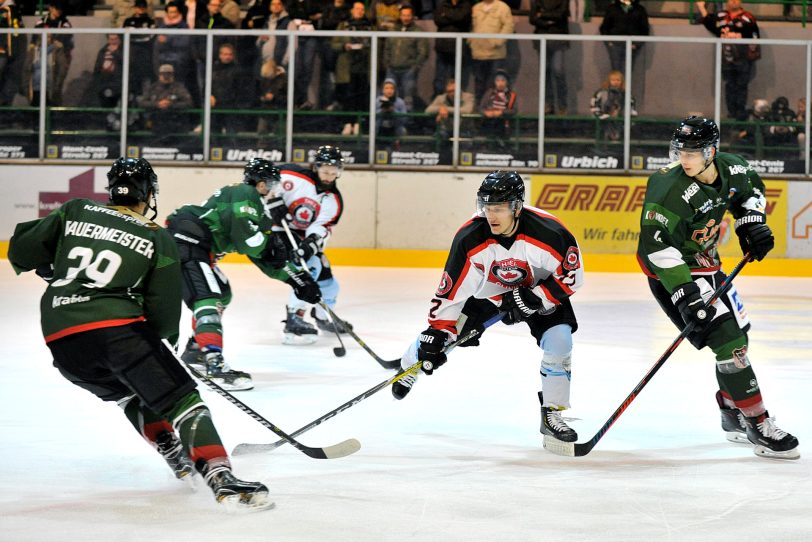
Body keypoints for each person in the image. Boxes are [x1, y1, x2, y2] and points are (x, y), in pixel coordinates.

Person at [7, 157, 272, 510]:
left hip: (62, 339)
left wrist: (49, 266)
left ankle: (175, 455)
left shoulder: (76, 210)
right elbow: (162, 306)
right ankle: (221, 477)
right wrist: (163, 347)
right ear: (147, 193)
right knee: (182, 400)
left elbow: (22, 248)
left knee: (129, 397)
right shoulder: (154, 234)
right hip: (118, 331)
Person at [637, 116, 799, 460]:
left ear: (712, 151)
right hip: (673, 275)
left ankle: (731, 410)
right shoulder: (668, 187)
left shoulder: (734, 169)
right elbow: (655, 248)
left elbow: (751, 192)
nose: (685, 159)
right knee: (731, 344)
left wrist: (751, 223)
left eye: (693, 152)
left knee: (741, 337)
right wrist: (684, 293)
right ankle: (757, 422)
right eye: (681, 151)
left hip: (711, 268)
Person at [392, 171, 584, 445]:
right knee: (442, 338)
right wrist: (437, 331)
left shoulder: (550, 233)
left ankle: (552, 412)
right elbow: (452, 289)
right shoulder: (470, 237)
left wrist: (533, 298)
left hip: (539, 291)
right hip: (490, 295)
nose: (491, 215)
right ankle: (408, 366)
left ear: (516, 206)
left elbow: (572, 276)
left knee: (560, 341)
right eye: (487, 207)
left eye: (500, 208)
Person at [170, 159, 321, 390]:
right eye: (272, 184)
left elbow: (262, 256)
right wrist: (269, 245)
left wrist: (298, 279)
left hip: (198, 250)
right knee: (208, 298)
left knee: (222, 292)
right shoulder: (244, 192)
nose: (273, 190)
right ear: (261, 183)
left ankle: (196, 349)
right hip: (187, 243)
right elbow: (249, 241)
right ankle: (214, 363)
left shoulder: (257, 208)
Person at [276, 145, 353, 342]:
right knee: (311, 267)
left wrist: (310, 243)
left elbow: (321, 226)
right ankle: (294, 317)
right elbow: (263, 184)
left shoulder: (333, 200)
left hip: (302, 237)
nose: (329, 176)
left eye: (334, 172)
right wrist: (272, 204)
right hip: (278, 232)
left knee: (330, 285)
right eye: (325, 171)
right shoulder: (291, 175)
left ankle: (322, 317)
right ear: (316, 167)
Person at [696, 0, 760, 121]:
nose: (734, 1)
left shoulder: (748, 17)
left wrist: (739, 37)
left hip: (743, 59)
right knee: (729, 85)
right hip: (726, 59)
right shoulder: (721, 16)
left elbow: (755, 37)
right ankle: (731, 113)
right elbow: (710, 23)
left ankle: (740, 114)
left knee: (742, 85)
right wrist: (701, 8)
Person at [382, 4, 428, 111]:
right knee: (387, 96)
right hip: (391, 69)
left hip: (409, 70)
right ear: (400, 16)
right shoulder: (393, 30)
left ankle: (407, 121)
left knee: (408, 97)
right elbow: (387, 48)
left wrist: (415, 67)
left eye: (408, 15)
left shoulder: (418, 31)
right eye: (403, 15)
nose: (406, 18)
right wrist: (387, 64)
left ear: (412, 16)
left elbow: (423, 52)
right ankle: (387, 121)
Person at [529, 0, 569, 115]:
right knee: (545, 71)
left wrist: (542, 14)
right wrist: (548, 22)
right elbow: (532, 19)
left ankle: (562, 106)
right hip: (541, 39)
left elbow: (561, 15)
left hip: (559, 38)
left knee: (558, 70)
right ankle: (548, 104)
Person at [468, 0, 513, 103]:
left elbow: (508, 26)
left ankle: (493, 111)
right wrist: (471, 42)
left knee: (493, 85)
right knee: (479, 85)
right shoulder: (476, 8)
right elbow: (472, 28)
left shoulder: (502, 7)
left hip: (496, 55)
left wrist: (497, 41)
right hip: (478, 54)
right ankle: (479, 112)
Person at [425, 77, 474, 164]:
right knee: (440, 138)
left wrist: (445, 109)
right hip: (446, 129)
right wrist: (440, 108)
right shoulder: (441, 98)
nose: (452, 93)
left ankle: (463, 164)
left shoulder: (468, 97)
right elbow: (428, 110)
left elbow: (467, 110)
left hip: (463, 129)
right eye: (449, 91)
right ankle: (442, 164)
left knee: (465, 143)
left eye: (454, 90)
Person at [137, 63, 194, 137]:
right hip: (157, 123)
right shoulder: (153, 88)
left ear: (173, 75)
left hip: (176, 122)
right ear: (159, 75)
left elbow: (189, 103)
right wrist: (157, 104)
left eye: (168, 74)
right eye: (163, 74)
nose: (166, 77)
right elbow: (142, 103)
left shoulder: (179, 88)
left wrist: (171, 105)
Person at [432, 0, 472, 99]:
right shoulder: (442, 4)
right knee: (440, 77)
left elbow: (462, 18)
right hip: (442, 47)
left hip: (459, 49)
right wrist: (455, 17)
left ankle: (456, 102)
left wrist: (446, 14)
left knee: (457, 77)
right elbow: (437, 20)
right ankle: (438, 100)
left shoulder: (466, 5)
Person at [598, 0, 649, 76]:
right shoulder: (612, 8)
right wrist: (609, 42)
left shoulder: (640, 9)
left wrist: (636, 44)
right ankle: (616, 88)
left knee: (628, 71)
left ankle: (625, 87)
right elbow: (604, 27)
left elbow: (644, 29)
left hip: (632, 45)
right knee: (616, 71)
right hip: (615, 44)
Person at [589, 69, 637, 141]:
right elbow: (593, 106)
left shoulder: (627, 94)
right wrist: (601, 115)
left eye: (618, 80)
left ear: (622, 82)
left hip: (621, 121)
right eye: (613, 80)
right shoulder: (601, 92)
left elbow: (632, 107)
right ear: (609, 81)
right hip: (603, 121)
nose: (616, 82)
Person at [121, 0, 155, 98]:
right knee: (130, 79)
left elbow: (150, 37)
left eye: (142, 7)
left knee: (145, 79)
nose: (140, 9)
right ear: (135, 8)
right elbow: (124, 36)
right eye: (138, 7)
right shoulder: (128, 20)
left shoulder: (150, 21)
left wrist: (136, 34)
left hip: (145, 54)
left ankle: (145, 102)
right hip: (131, 53)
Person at [479, 69, 517, 144]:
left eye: (503, 80)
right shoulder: (489, 93)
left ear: (507, 82)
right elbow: (481, 108)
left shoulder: (511, 95)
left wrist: (502, 112)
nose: (500, 83)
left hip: (504, 125)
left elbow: (514, 110)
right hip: (489, 124)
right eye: (498, 80)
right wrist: (486, 112)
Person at [375, 77, 407, 144]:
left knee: (403, 130)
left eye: (391, 88)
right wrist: (382, 111)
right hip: (380, 128)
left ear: (395, 90)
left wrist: (393, 111)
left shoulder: (400, 102)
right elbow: (372, 117)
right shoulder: (377, 101)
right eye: (386, 88)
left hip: (395, 129)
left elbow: (404, 119)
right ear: (383, 90)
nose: (389, 90)